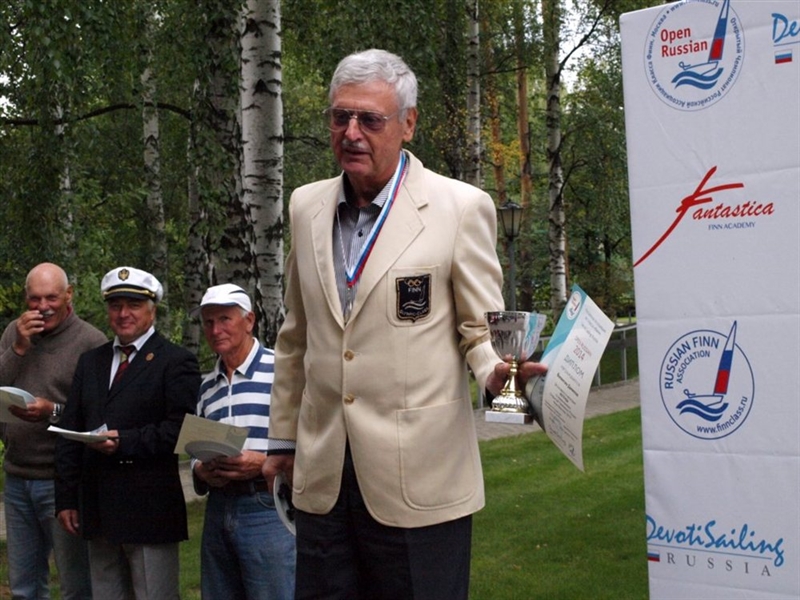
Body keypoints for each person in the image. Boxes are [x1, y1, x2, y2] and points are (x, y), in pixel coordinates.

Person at [261, 48, 547, 600]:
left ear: (408, 124)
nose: (351, 133)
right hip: (322, 480)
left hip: (421, 480)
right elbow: (296, 336)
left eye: (370, 119)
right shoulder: (305, 207)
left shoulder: (460, 207)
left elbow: (482, 331)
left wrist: (500, 380)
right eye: (340, 117)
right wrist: (282, 440)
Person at [54, 266, 201, 600]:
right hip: (98, 507)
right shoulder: (91, 361)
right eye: (116, 305)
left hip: (149, 509)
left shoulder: (175, 361)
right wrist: (66, 499)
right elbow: (70, 431)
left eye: (133, 305)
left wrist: (125, 441)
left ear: (152, 309)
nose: (123, 314)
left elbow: (180, 430)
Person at [0, 263, 107, 600]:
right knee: (24, 587)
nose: (42, 306)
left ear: (69, 295)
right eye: (35, 299)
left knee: (76, 587)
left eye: (51, 298)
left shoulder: (91, 341)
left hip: (63, 482)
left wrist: (53, 411)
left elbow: (98, 418)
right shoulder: (14, 333)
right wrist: (18, 348)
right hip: (17, 476)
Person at [191, 283, 295, 600]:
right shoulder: (207, 385)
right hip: (219, 506)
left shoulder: (283, 369)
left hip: (267, 505)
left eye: (225, 319)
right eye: (208, 322)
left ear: (249, 321)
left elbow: (311, 438)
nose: (215, 330)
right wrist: (200, 470)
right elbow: (196, 447)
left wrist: (264, 463)